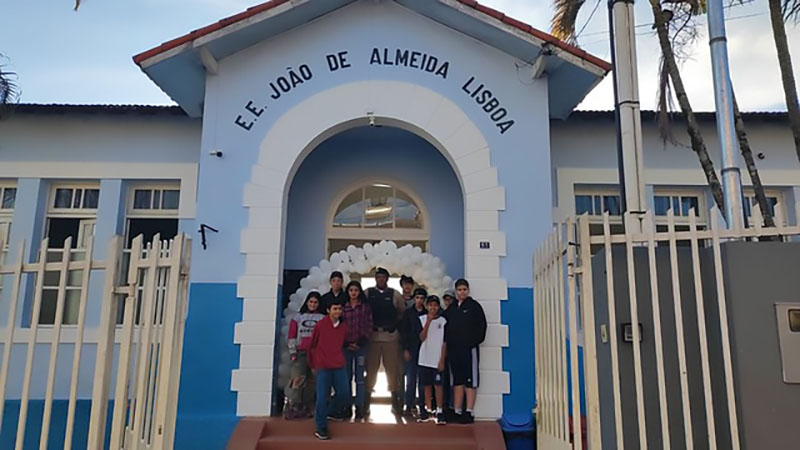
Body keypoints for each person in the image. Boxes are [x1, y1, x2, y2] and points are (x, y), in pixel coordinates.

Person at [364, 267, 406, 415]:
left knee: (392, 371)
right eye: (378, 277)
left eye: (383, 277)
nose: (381, 279)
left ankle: (395, 402)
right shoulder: (368, 293)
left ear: (387, 279)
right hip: (373, 337)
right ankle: (366, 403)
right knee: (371, 370)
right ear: (375, 278)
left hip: (390, 336)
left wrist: (395, 327)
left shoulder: (395, 294)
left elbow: (402, 313)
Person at [445, 279, 487, 424]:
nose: (462, 292)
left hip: (469, 350)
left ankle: (469, 411)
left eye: (464, 289)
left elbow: (482, 326)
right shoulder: (452, 308)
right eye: (459, 290)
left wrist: (473, 342)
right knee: (457, 380)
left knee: (470, 381)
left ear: (468, 290)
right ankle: (457, 410)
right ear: (455, 292)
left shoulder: (474, 307)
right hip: (454, 350)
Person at [308, 302, 351, 440]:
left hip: (338, 365)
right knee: (322, 397)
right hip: (323, 366)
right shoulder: (320, 325)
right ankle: (321, 427)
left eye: (340, 309)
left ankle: (326, 412)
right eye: (335, 309)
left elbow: (343, 342)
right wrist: (313, 365)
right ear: (328, 310)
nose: (338, 311)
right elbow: (312, 345)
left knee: (344, 394)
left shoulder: (343, 327)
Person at [284, 291, 324, 420]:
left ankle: (306, 406)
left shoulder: (323, 318)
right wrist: (292, 352)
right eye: (311, 302)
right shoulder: (297, 318)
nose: (313, 304)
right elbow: (292, 335)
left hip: (316, 354)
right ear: (307, 302)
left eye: (316, 302)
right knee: (297, 379)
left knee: (312, 381)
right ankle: (293, 405)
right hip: (300, 353)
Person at [342, 280, 372, 420]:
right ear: (348, 292)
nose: (353, 293)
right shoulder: (343, 308)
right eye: (351, 290)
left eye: (356, 290)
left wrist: (360, 342)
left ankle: (360, 406)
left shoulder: (365, 307)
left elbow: (369, 325)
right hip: (346, 347)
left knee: (360, 377)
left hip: (361, 347)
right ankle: (347, 406)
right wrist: (346, 342)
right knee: (347, 377)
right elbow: (339, 327)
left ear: (359, 292)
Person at [418, 295, 448, 424]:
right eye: (430, 305)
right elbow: (421, 337)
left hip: (437, 359)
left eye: (435, 305)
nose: (433, 308)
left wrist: (442, 360)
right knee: (427, 385)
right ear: (426, 306)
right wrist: (428, 322)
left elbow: (444, 342)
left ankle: (440, 410)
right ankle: (427, 409)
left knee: (438, 385)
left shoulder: (443, 321)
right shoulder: (422, 319)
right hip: (424, 358)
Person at [400, 287, 427, 418]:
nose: (419, 300)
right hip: (411, 349)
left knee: (422, 380)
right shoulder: (408, 313)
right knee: (410, 379)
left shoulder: (428, 314)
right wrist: (405, 349)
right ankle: (408, 405)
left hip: (424, 350)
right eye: (417, 297)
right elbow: (403, 332)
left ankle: (422, 406)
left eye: (422, 298)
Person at [440, 289, 456, 415]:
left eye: (450, 298)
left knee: (454, 379)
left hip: (455, 349)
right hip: (444, 350)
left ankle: (452, 405)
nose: (447, 301)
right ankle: (445, 404)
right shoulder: (443, 315)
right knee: (445, 379)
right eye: (445, 299)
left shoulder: (457, 312)